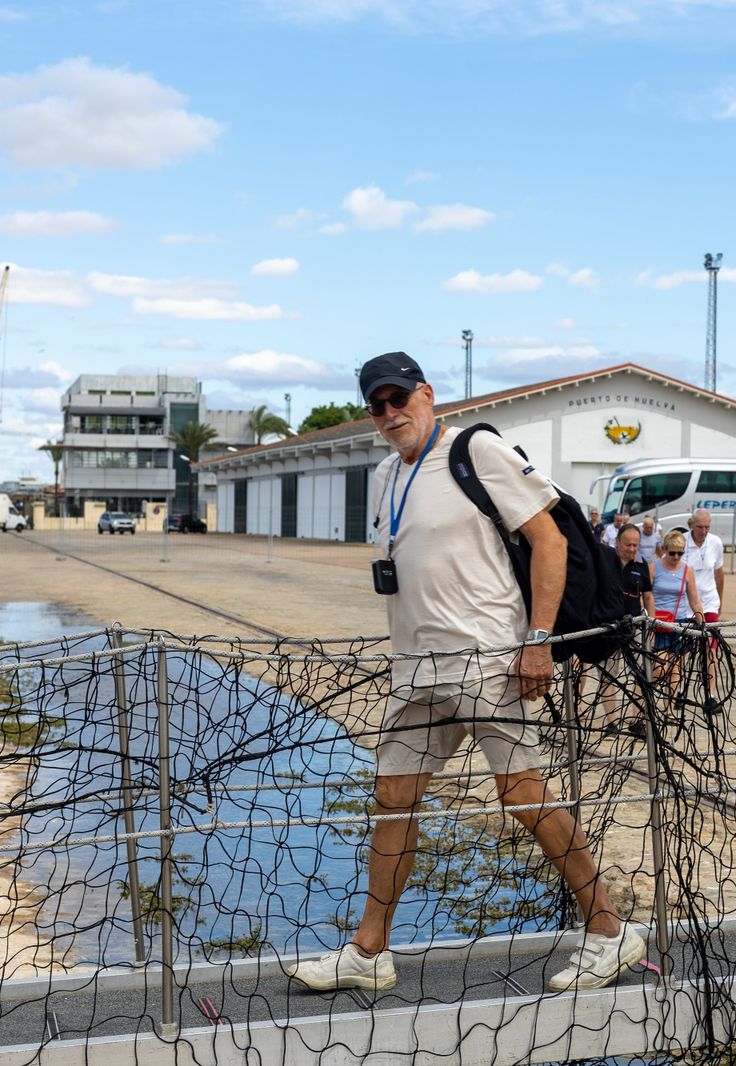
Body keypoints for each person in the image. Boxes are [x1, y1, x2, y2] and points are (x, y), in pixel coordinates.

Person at [287, 352, 643, 994]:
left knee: (523, 795)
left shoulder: (475, 451)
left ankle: (610, 931)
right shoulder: (384, 474)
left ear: (427, 394)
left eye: (400, 398)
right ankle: (369, 954)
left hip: (486, 658)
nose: (391, 414)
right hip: (416, 667)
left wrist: (538, 640)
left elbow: (550, 540)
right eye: (378, 405)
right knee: (393, 799)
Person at [649, 530, 703, 689]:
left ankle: (669, 711)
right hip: (657, 623)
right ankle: (647, 696)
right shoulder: (653, 568)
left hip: (678, 622)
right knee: (660, 667)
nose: (676, 557)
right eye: (672, 553)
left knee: (675, 668)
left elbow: (695, 601)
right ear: (664, 550)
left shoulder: (687, 570)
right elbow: (645, 596)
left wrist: (702, 622)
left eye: (680, 553)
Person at [682, 508, 726, 626]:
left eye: (707, 527)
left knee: (712, 641)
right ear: (691, 524)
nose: (704, 531)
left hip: (709, 602)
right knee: (689, 643)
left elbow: (719, 574)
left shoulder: (716, 542)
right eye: (700, 527)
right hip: (686, 605)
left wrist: (720, 602)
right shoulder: (681, 541)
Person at [615, 522, 654, 617]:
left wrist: (652, 627)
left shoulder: (642, 563)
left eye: (635, 545)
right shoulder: (606, 559)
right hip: (607, 624)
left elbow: (648, 596)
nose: (632, 549)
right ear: (617, 542)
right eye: (628, 545)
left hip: (633, 622)